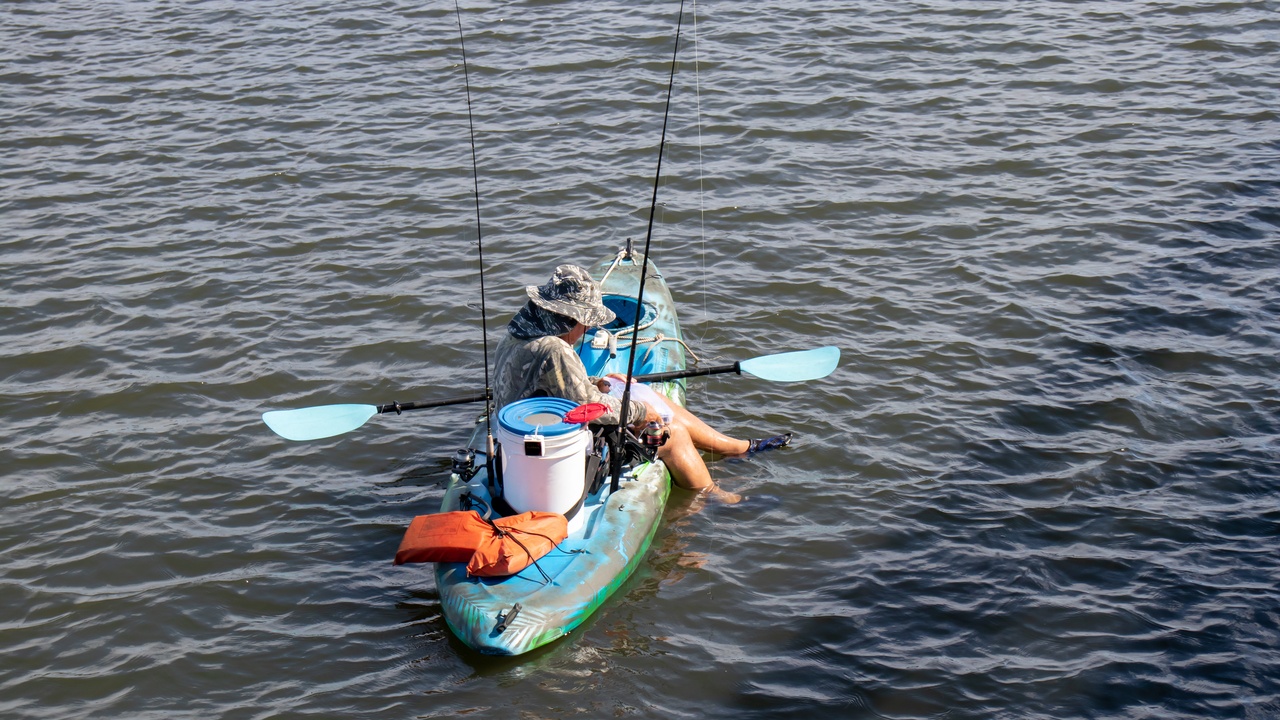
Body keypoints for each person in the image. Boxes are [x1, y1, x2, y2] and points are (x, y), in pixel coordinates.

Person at [492, 264, 791, 500]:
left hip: (526, 435)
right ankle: (716, 497)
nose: (585, 330)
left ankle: (733, 448)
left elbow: (554, 384)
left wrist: (598, 381)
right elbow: (588, 406)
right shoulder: (555, 348)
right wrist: (637, 411)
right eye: (585, 322)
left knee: (643, 393)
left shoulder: (520, 332)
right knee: (670, 435)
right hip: (553, 453)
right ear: (570, 318)